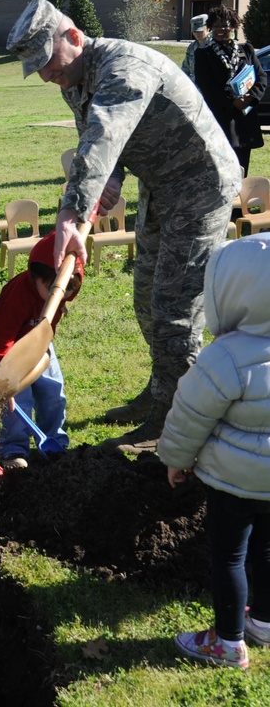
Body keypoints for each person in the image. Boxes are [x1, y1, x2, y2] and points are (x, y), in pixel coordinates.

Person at [6, 0, 241, 455]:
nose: (45, 75)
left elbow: (105, 135)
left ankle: (174, 418)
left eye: (47, 62)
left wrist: (71, 214)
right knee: (146, 297)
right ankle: (161, 392)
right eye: (36, 68)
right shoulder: (74, 81)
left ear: (73, 37)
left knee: (174, 306)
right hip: (161, 183)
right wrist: (107, 183)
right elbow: (98, 147)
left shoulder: (123, 67)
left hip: (200, 182)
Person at [158, 234, 270, 669]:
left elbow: (191, 414)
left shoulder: (226, 357)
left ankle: (227, 642)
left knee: (230, 557)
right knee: (266, 551)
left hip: (234, 483)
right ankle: (263, 621)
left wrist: (175, 458)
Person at [0, 233, 82, 469]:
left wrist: (63, 301)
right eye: (53, 290)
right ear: (34, 277)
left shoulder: (60, 290)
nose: (59, 296)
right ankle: (13, 447)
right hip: (11, 344)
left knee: (53, 391)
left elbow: (63, 292)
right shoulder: (18, 296)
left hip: (40, 340)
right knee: (18, 399)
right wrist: (4, 376)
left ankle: (54, 439)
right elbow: (2, 335)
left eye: (68, 291)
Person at [194, 4, 266, 177]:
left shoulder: (246, 50)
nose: (221, 29)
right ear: (210, 28)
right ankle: (224, 201)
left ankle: (240, 202)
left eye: (225, 25)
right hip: (221, 117)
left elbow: (261, 78)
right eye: (216, 25)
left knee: (243, 166)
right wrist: (233, 101)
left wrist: (250, 97)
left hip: (245, 117)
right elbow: (207, 86)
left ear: (233, 26)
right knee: (221, 166)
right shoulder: (204, 54)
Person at [181, 14, 211, 82]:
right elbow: (185, 69)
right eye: (195, 31)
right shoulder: (192, 47)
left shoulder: (213, 46)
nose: (197, 34)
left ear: (208, 29)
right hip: (194, 86)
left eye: (200, 31)